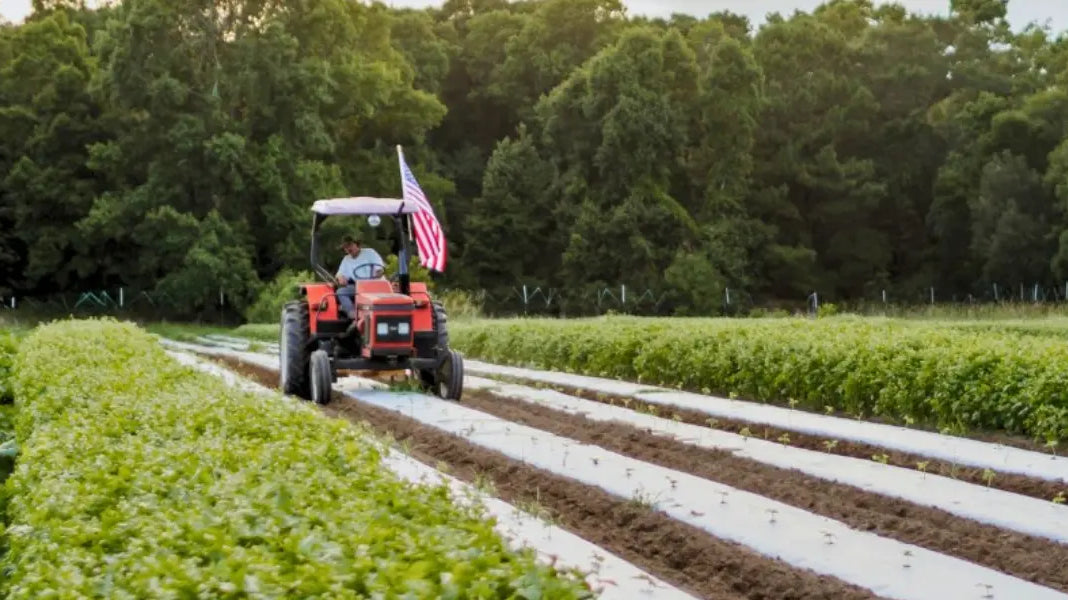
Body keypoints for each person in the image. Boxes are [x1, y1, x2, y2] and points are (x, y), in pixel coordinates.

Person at [335, 235, 385, 319]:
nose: (348, 249)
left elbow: (380, 269)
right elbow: (340, 274)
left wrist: (378, 273)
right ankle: (353, 314)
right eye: (345, 247)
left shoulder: (370, 253)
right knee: (341, 291)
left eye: (350, 245)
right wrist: (341, 278)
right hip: (359, 287)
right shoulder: (346, 259)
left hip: (375, 284)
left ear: (357, 244)